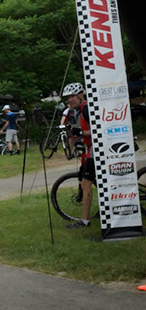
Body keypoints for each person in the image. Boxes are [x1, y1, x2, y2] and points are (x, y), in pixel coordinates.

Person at [62, 82, 94, 229]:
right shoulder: (81, 110)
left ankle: (84, 221)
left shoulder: (87, 108)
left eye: (73, 96)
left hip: (96, 150)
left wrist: (80, 133)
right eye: (68, 97)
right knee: (87, 182)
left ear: (81, 95)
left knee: (86, 184)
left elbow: (98, 131)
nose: (70, 99)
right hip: (91, 150)